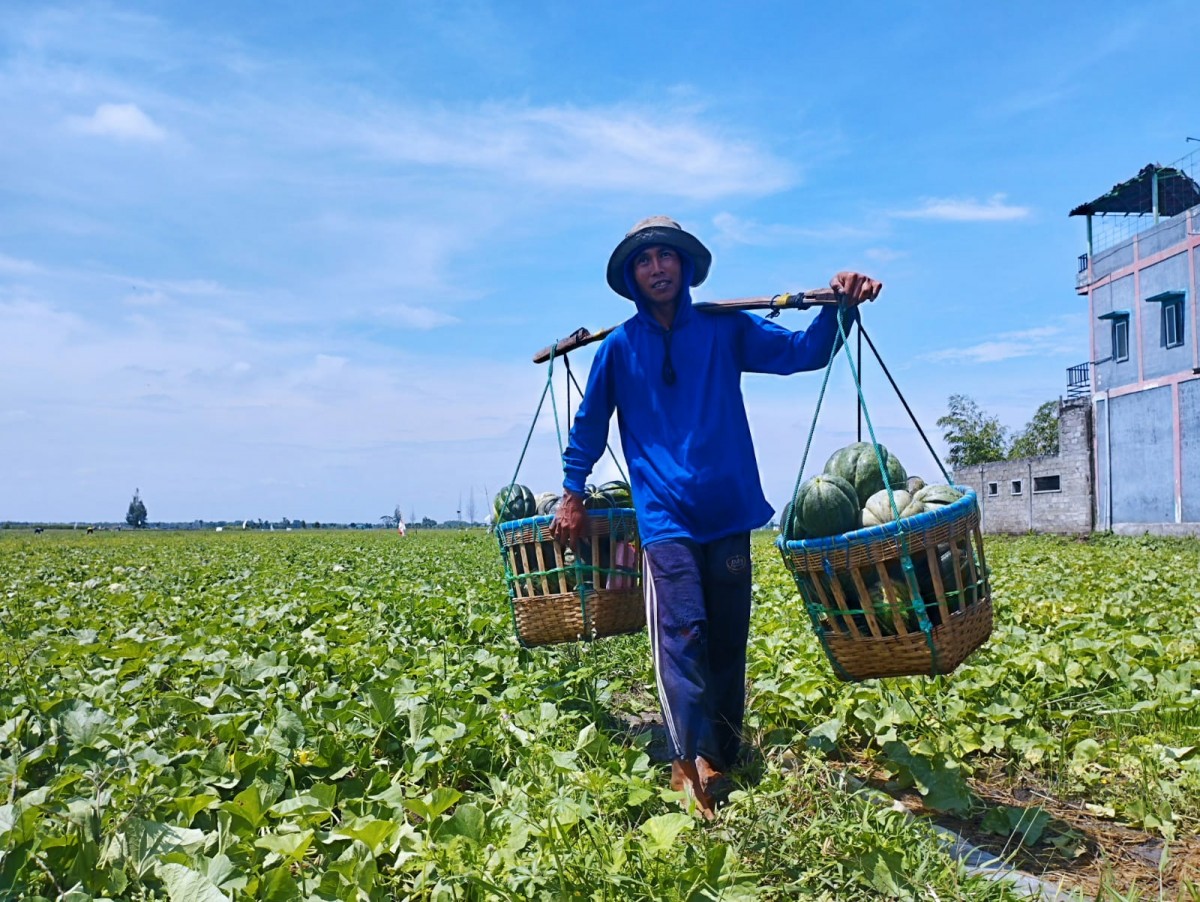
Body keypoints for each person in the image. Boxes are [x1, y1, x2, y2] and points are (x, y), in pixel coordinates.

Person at [552, 216, 881, 819]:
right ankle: (686, 758)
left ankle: (723, 751)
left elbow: (801, 354)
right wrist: (572, 490)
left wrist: (839, 305)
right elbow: (589, 425)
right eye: (644, 260)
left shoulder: (725, 328)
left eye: (665, 257)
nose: (656, 268)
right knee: (684, 635)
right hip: (664, 515)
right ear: (631, 276)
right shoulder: (619, 348)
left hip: (728, 509)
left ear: (684, 266)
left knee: (728, 637)